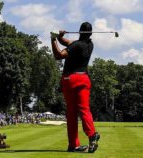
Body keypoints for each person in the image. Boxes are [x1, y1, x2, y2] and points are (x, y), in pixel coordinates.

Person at [51, 22, 100, 153]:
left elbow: (58, 56)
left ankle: (73, 145)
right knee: (84, 109)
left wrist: (52, 39)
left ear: (79, 31)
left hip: (70, 79)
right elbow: (69, 44)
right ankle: (92, 134)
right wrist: (60, 37)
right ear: (90, 33)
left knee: (71, 113)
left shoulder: (76, 45)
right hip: (84, 78)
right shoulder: (89, 45)